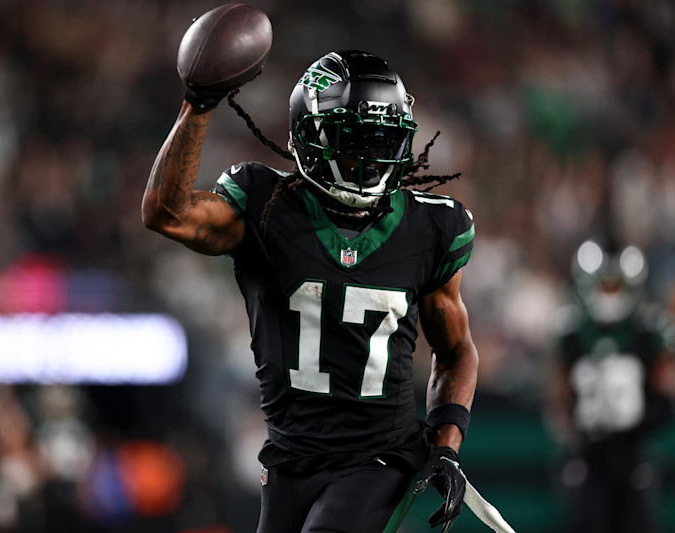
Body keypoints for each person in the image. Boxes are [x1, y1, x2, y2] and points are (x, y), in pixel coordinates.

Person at [143, 49, 479, 533]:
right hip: (289, 458)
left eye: (383, 141)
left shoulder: (432, 226)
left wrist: (446, 446)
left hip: (379, 457)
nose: (369, 159)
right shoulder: (263, 205)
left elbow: (455, 350)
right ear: (309, 137)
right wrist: (198, 103)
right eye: (354, 141)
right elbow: (166, 213)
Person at [547, 238, 675, 533]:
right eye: (605, 285)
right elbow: (558, 398)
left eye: (615, 285)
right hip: (589, 456)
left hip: (635, 453)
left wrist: (642, 429)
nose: (609, 294)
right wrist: (571, 435)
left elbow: (665, 395)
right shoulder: (571, 333)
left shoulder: (649, 331)